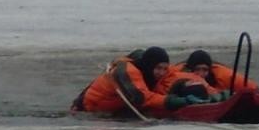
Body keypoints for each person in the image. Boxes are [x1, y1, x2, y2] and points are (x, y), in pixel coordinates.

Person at [71, 46, 206, 114]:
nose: (161, 73)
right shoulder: (127, 72)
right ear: (149, 65)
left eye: (165, 68)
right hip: (91, 111)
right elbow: (142, 98)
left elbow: (178, 75)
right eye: (158, 68)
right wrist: (179, 101)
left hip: (119, 108)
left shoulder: (150, 70)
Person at [176, 49, 259, 92]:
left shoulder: (224, 76)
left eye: (205, 70)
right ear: (190, 69)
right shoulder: (177, 76)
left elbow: (253, 88)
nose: (201, 74)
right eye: (197, 69)